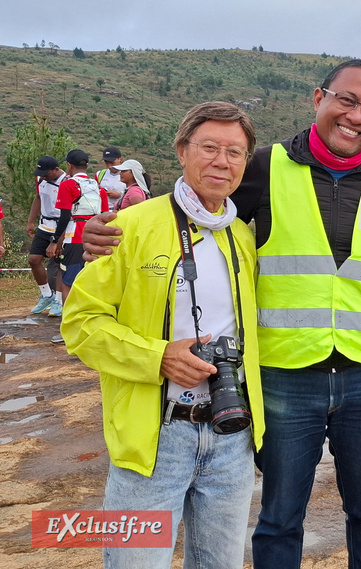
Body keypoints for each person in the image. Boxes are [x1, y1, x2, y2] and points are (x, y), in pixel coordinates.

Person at [81, 59, 361, 569]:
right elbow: (196, 201)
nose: (356, 115)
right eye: (346, 100)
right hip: (284, 377)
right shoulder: (265, 166)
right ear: (319, 98)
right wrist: (115, 228)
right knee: (280, 515)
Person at [61, 101, 265, 569]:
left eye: (235, 152)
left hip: (230, 434)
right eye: (209, 147)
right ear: (181, 151)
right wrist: (157, 357)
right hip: (156, 436)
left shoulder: (244, 238)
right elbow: (81, 323)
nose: (222, 161)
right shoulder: (126, 228)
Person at [46, 150, 108, 310]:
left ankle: (68, 323)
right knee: (92, 283)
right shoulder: (99, 188)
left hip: (74, 239)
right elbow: (106, 215)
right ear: (87, 165)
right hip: (96, 240)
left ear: (69, 165)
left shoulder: (67, 185)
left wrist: (54, 241)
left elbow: (65, 217)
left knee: (68, 283)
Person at [27, 156, 67, 317]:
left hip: (62, 227)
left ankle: (58, 299)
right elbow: (38, 198)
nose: (43, 176)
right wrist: (30, 221)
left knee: (59, 263)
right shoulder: (40, 179)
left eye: (46, 173)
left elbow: (68, 213)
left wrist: (59, 239)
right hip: (44, 226)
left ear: (56, 170)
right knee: (34, 259)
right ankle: (46, 295)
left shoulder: (67, 182)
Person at [96, 146, 126, 211]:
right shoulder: (100, 174)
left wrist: (120, 195)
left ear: (120, 159)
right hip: (102, 211)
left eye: (112, 163)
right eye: (106, 163)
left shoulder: (127, 175)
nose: (109, 166)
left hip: (120, 211)